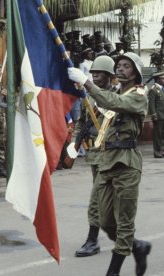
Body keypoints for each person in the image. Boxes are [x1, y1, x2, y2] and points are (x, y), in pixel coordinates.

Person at [68, 52, 152, 276]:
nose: (121, 69)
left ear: (135, 71)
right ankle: (138, 247)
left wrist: (86, 82)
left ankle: (113, 272)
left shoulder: (139, 95)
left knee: (124, 222)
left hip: (126, 163)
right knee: (105, 220)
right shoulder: (113, 92)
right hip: (106, 160)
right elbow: (98, 111)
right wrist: (76, 142)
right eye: (119, 66)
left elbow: (114, 102)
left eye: (126, 66)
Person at [71, 55, 116, 258]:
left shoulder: (117, 97)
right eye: (94, 73)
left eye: (100, 73)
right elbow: (81, 122)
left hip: (112, 153)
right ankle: (121, 235)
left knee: (98, 196)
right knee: (103, 196)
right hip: (94, 153)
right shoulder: (88, 98)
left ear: (109, 76)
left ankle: (93, 239)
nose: (95, 76)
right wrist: (74, 142)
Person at [147, 70, 164, 158]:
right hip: (159, 115)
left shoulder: (162, 89)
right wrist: (154, 115)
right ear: (157, 79)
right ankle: (157, 151)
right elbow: (151, 104)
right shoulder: (153, 89)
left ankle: (162, 150)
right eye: (162, 79)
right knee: (158, 135)